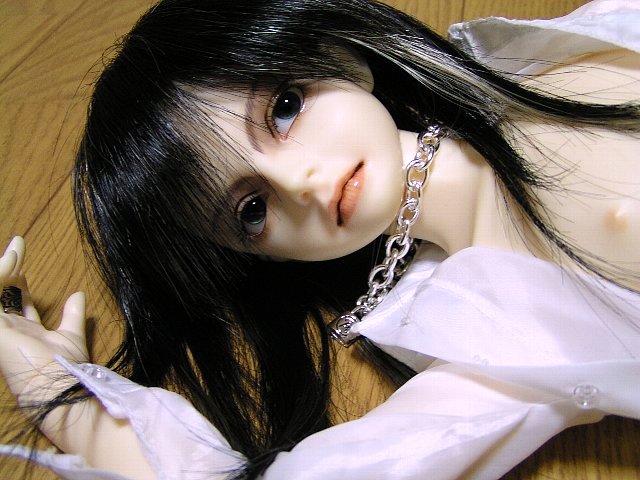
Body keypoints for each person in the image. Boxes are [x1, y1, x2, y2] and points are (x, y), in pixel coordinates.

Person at [1, 0, 639, 478]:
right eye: (252, 210)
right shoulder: (498, 331)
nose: (299, 181)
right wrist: (55, 392)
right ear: (263, 258)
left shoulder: (562, 51)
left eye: (283, 108)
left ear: (337, 53)